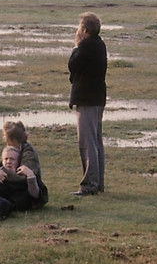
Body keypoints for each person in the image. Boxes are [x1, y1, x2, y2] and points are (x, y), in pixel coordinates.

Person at [68, 12, 108, 196]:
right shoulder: (99, 44)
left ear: (84, 30)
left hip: (88, 100)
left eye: (79, 27)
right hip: (96, 98)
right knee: (96, 141)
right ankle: (97, 183)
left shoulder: (86, 46)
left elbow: (73, 65)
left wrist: (77, 46)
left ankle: (90, 184)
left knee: (88, 142)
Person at [2, 121, 48, 207]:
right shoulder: (17, 149)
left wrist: (3, 172)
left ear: (13, 139)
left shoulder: (28, 154)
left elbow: (22, 178)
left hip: (30, 193)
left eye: (6, 137)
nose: (4, 138)